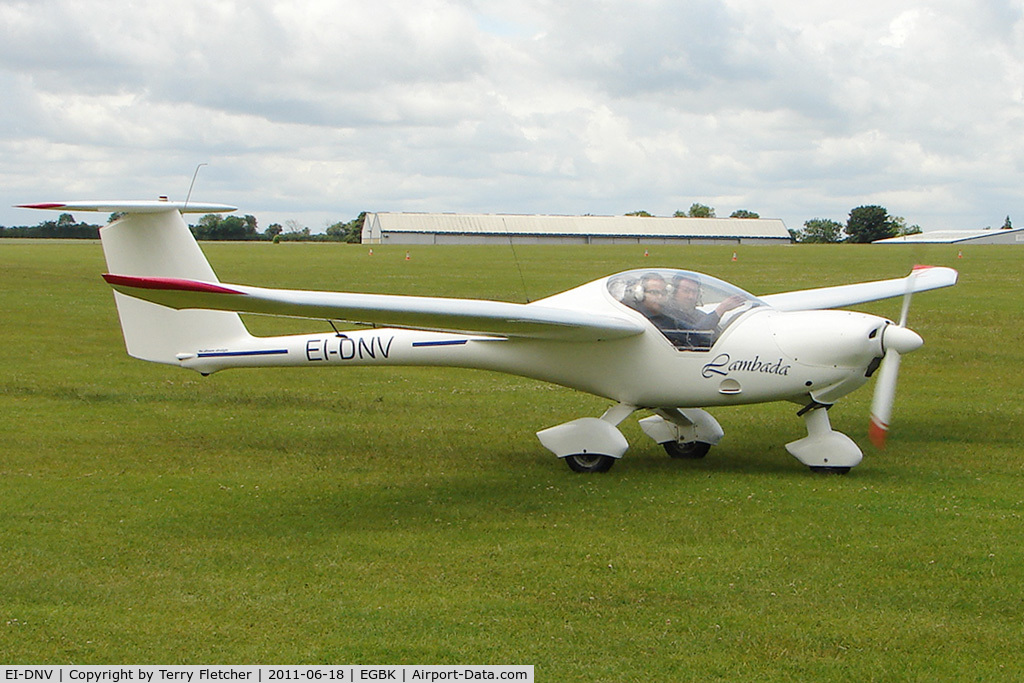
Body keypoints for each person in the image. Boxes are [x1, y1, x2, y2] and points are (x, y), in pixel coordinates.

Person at [669, 275, 745, 330]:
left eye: (694, 292)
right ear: (674, 292)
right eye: (686, 291)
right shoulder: (667, 315)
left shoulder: (698, 315)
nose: (691, 296)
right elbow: (695, 334)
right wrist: (721, 309)